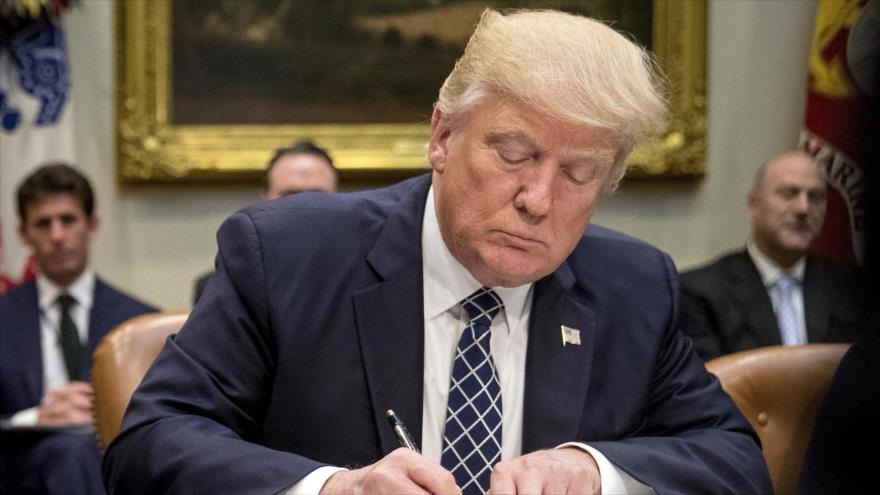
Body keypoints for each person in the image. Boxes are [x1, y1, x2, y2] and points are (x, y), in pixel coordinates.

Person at [104, 9, 771, 494]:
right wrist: (332, 488)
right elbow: (149, 443)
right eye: (514, 154)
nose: (538, 197)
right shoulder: (285, 255)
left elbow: (736, 459)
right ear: (443, 136)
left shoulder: (633, 286)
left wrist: (594, 470)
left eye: (578, 174)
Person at [0, 163, 157, 494]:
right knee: (67, 453)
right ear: (24, 235)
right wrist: (33, 418)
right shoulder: (4, 316)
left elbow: (160, 417)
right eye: (43, 224)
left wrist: (100, 416)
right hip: (22, 472)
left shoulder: (140, 323)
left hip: (113, 464)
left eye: (68, 220)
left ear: (92, 226)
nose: (57, 236)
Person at [679, 151, 866, 361]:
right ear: (753, 203)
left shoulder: (854, 289)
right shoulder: (700, 293)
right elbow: (704, 384)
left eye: (815, 196)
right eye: (789, 194)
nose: (803, 208)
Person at [192, 139, 337, 303]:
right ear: (264, 202)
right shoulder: (220, 288)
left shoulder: (363, 281)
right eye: (290, 196)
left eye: (317, 197)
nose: (303, 207)